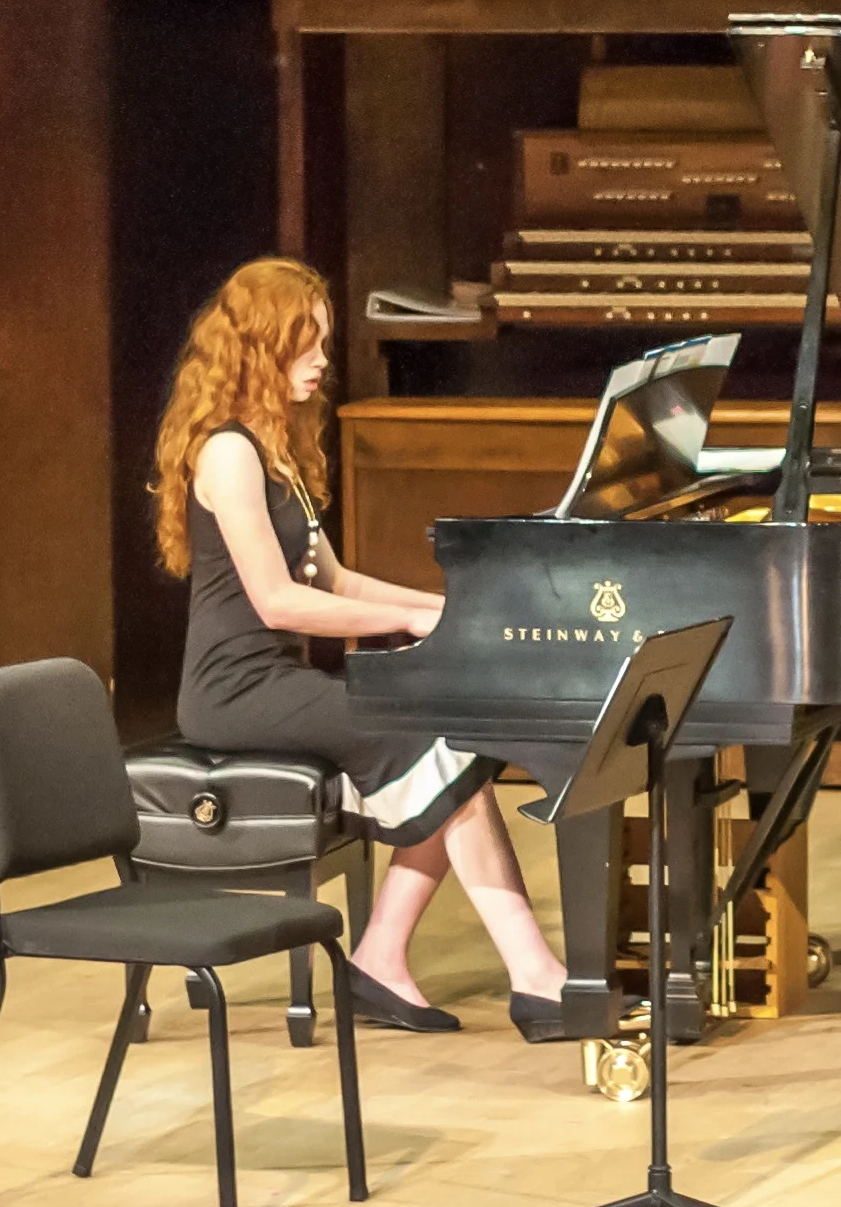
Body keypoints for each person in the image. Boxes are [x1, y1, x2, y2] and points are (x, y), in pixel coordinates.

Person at [154, 256, 565, 1039]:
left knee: (453, 734)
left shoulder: (274, 446)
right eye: (303, 345)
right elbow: (278, 601)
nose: (320, 362)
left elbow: (335, 580)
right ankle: (533, 976)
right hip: (233, 692)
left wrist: (445, 610)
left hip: (273, 679)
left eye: (322, 343)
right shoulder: (228, 452)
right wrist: (410, 623)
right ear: (257, 349)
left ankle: (384, 959)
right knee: (434, 737)